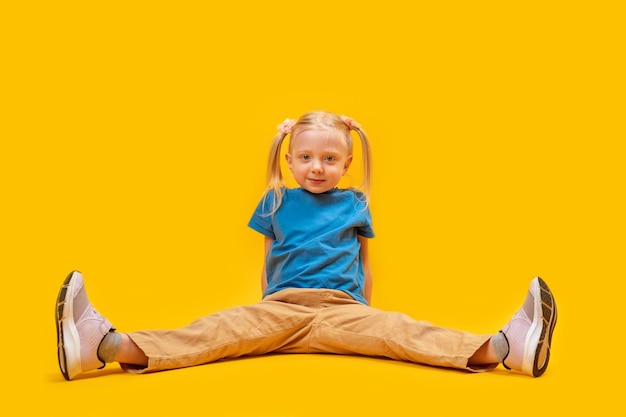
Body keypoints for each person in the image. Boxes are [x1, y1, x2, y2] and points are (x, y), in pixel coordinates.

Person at [55, 111, 557, 381]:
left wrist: (364, 308)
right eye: (307, 157)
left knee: (401, 332)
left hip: (342, 310)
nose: (318, 167)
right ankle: (102, 346)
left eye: (330, 158)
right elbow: (267, 262)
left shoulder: (357, 203)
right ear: (290, 160)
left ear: (347, 163)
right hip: (281, 307)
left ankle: (504, 349)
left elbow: (364, 260)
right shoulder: (275, 200)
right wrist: (266, 304)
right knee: (215, 330)